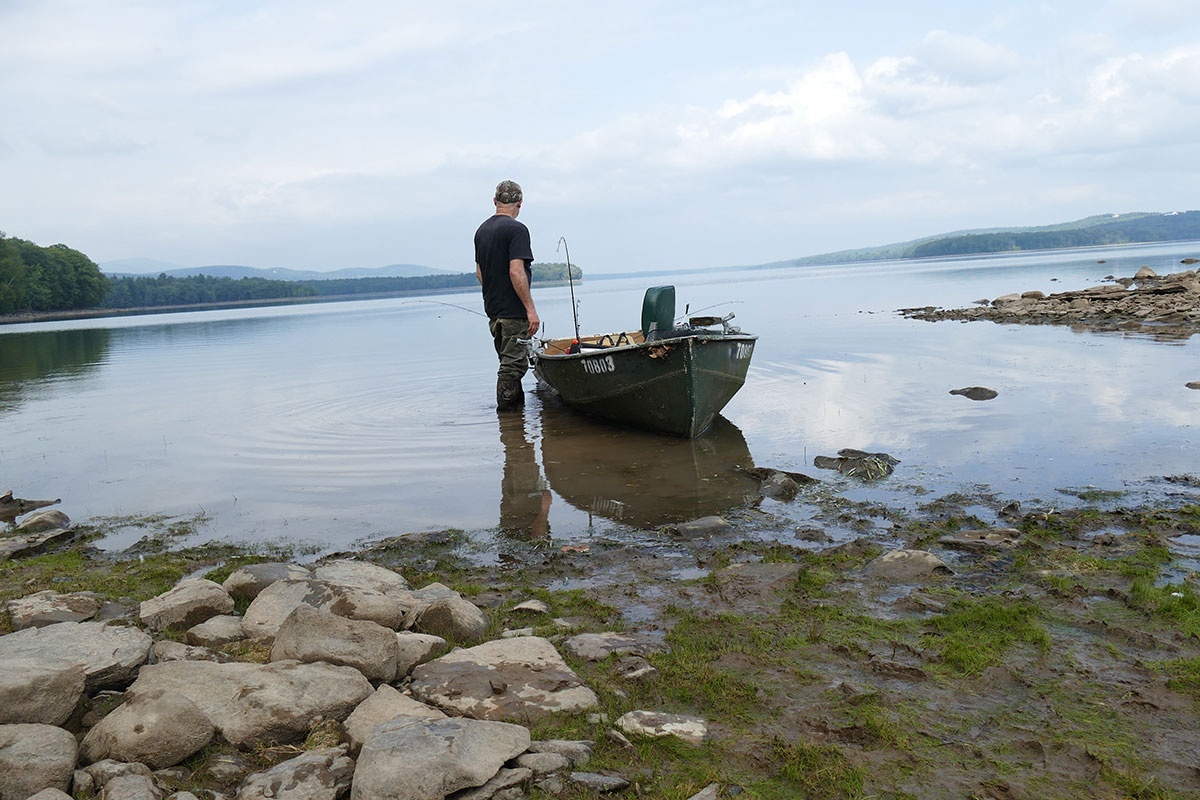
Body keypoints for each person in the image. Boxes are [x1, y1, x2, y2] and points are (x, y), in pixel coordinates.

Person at [475, 180, 540, 411]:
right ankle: (507, 417)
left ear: (495, 201)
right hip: (513, 313)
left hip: (494, 311)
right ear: (520, 202)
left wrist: (494, 296)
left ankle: (515, 426)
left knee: (508, 363)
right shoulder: (517, 230)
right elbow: (516, 271)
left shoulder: (481, 231)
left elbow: (479, 273)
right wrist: (530, 310)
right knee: (512, 368)